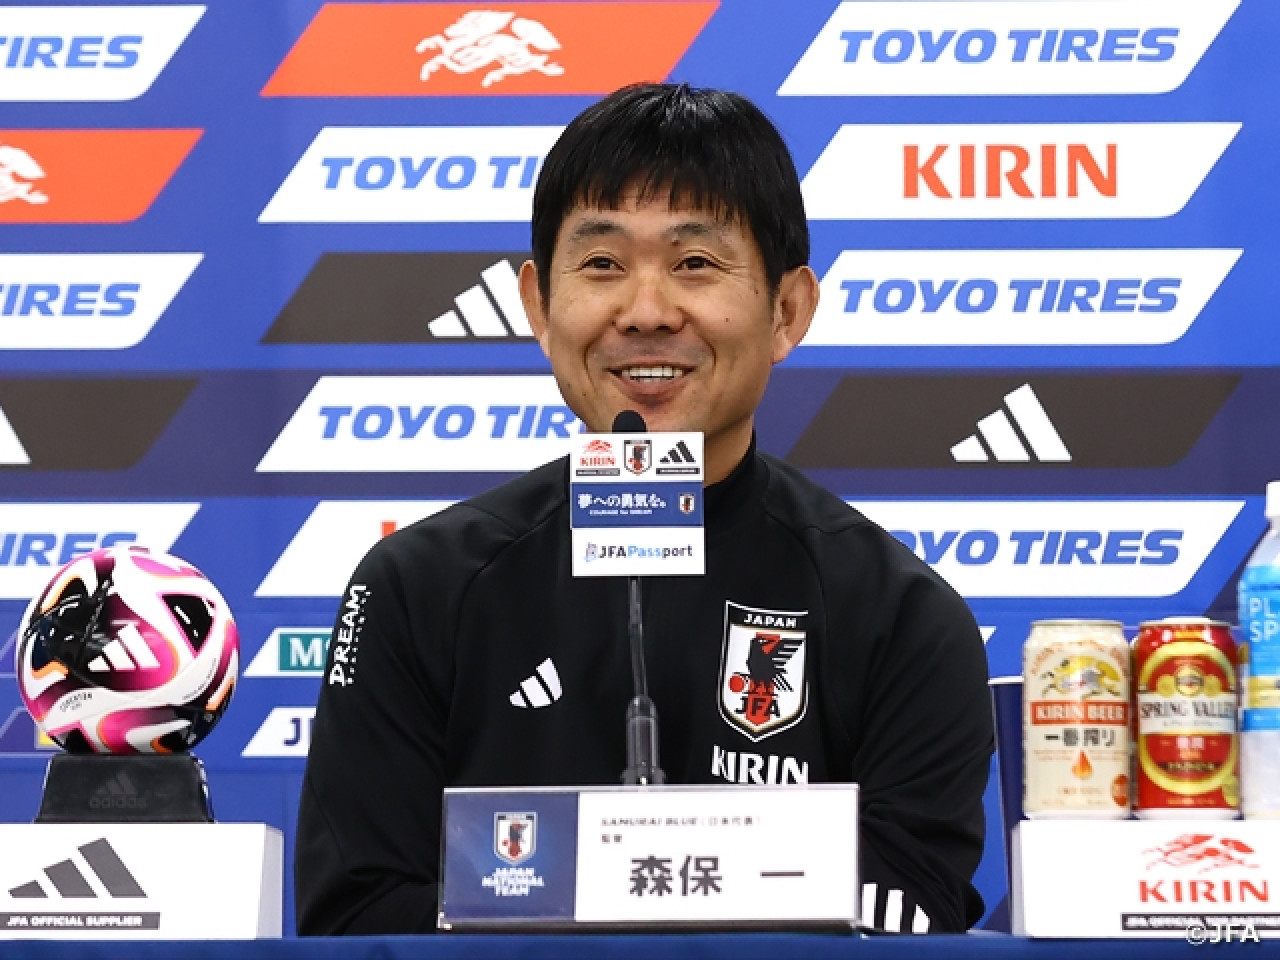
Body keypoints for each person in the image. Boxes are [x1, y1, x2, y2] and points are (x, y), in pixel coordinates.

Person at [295, 83, 993, 935]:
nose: (648, 312)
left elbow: (906, 917)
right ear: (539, 308)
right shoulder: (417, 588)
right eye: (601, 264)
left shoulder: (901, 615)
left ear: (787, 310)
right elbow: (359, 918)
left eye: (696, 263)